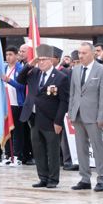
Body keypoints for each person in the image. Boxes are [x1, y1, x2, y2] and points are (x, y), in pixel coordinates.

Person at [18, 44, 69, 189]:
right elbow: (20, 79)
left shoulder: (60, 77)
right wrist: (29, 65)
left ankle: (53, 179)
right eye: (39, 59)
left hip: (51, 119)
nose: (41, 62)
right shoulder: (34, 73)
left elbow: (64, 101)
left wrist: (58, 121)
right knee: (38, 149)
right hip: (34, 117)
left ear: (52, 60)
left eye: (44, 59)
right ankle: (43, 177)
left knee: (52, 150)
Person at [68, 42, 103, 192]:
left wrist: (101, 117)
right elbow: (73, 94)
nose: (81, 56)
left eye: (84, 53)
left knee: (98, 148)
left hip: (93, 116)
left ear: (93, 53)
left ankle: (102, 179)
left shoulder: (102, 70)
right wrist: (71, 113)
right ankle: (85, 178)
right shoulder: (76, 69)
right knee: (81, 148)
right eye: (79, 53)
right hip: (77, 114)